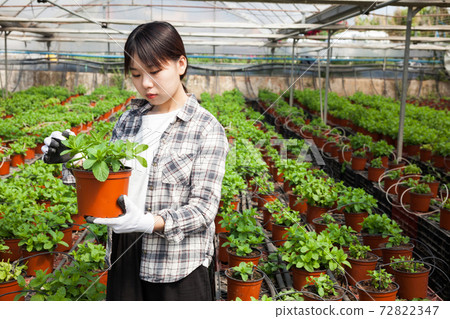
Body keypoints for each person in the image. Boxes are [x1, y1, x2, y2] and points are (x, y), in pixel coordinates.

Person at [42, 21, 228, 301]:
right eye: (136, 74)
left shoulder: (205, 128)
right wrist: (72, 157)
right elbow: (107, 179)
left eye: (155, 72)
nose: (146, 84)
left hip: (177, 263)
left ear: (181, 64)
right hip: (124, 249)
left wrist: (148, 221)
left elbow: (203, 210)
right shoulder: (129, 120)